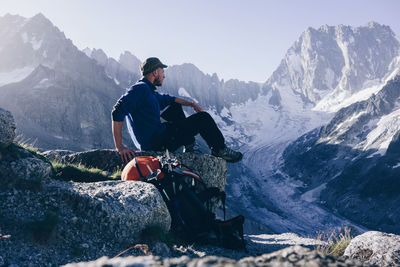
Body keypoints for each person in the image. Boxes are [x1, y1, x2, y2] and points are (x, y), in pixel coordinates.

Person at [111, 57, 243, 164]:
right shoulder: (140, 89)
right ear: (155, 72)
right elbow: (117, 111)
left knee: (174, 107)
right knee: (203, 118)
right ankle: (219, 150)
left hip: (158, 137)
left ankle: (189, 144)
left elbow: (171, 99)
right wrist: (120, 146)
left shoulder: (149, 91)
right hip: (156, 142)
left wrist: (192, 104)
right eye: (162, 72)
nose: (164, 76)